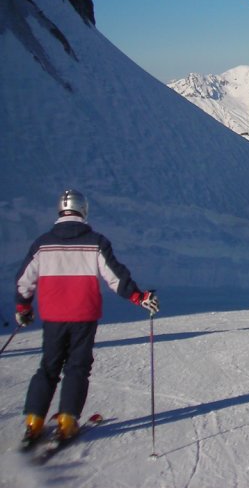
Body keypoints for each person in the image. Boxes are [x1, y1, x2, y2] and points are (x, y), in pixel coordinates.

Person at [14, 189, 159, 444]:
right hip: (83, 315)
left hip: (53, 317)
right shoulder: (95, 242)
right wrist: (139, 297)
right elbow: (116, 277)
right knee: (77, 368)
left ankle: (33, 422)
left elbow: (24, 281)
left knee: (48, 367)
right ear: (84, 210)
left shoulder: (42, 244)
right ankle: (68, 421)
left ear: (61, 210)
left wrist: (23, 309)